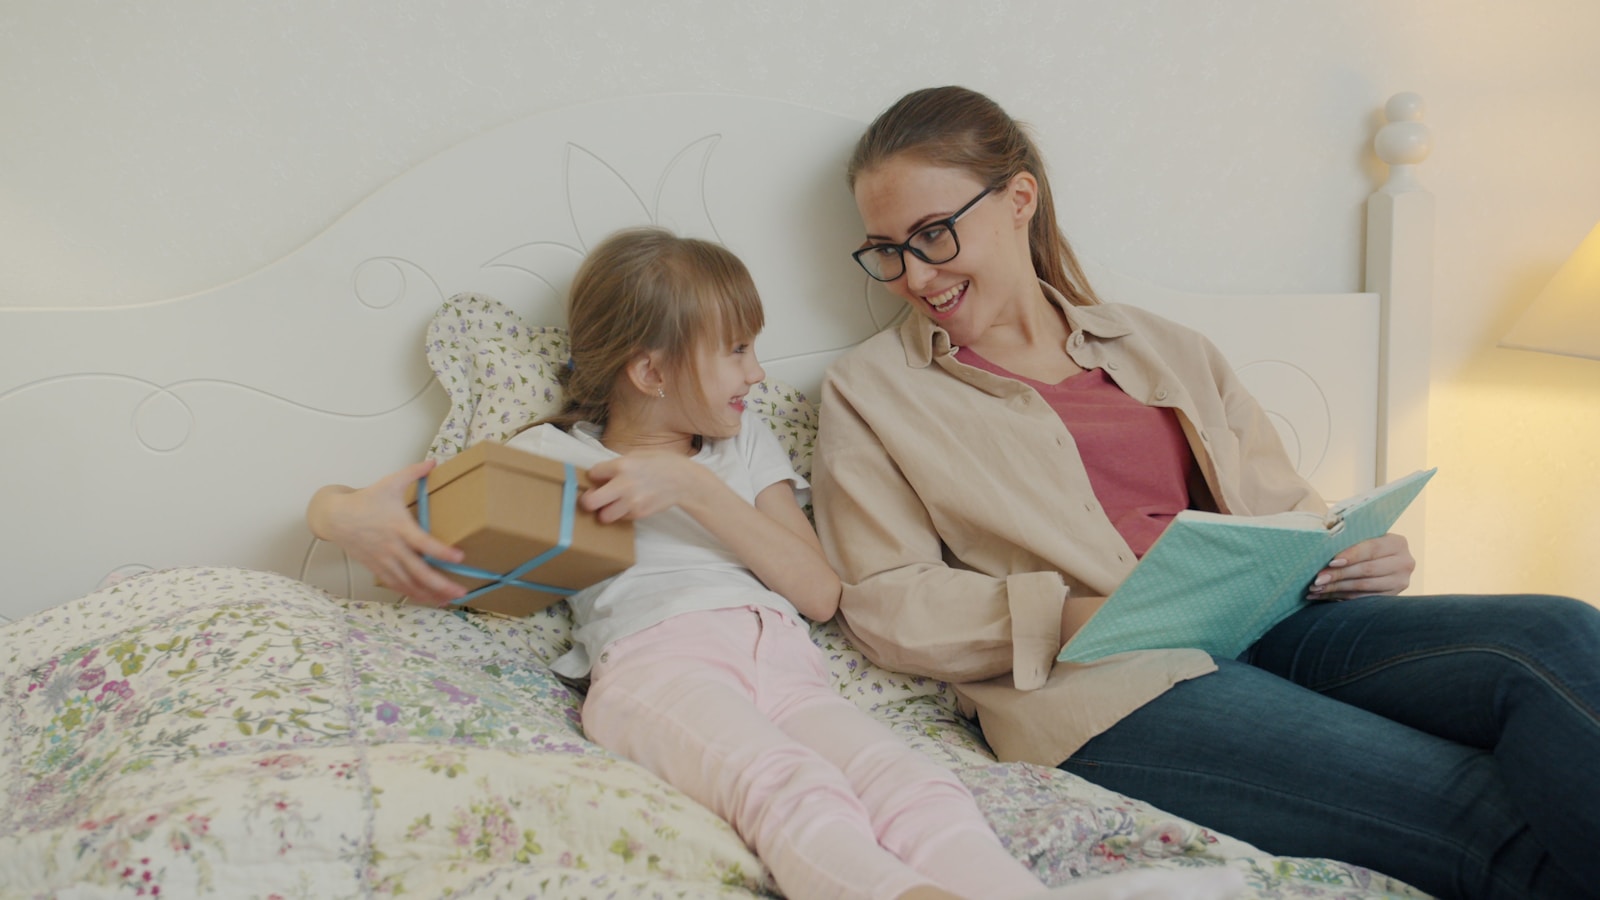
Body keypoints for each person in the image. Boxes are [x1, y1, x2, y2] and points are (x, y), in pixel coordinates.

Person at [810, 85, 1600, 900]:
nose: (914, 273)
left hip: (1276, 622)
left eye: (935, 235)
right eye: (887, 250)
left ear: (1018, 200)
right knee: (1481, 804)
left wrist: (1355, 554)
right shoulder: (871, 392)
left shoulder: (1161, 345)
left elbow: (1284, 511)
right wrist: (1070, 613)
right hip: (1112, 684)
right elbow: (887, 603)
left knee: (1558, 635)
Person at [306, 227, 1244, 900]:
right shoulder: (560, 461)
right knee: (794, 789)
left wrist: (692, 491)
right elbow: (373, 514)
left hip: (783, 661)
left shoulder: (740, 451)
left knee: (916, 786)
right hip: (658, 666)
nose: (760, 373)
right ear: (651, 370)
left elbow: (819, 589)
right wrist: (344, 515)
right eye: (739, 351)